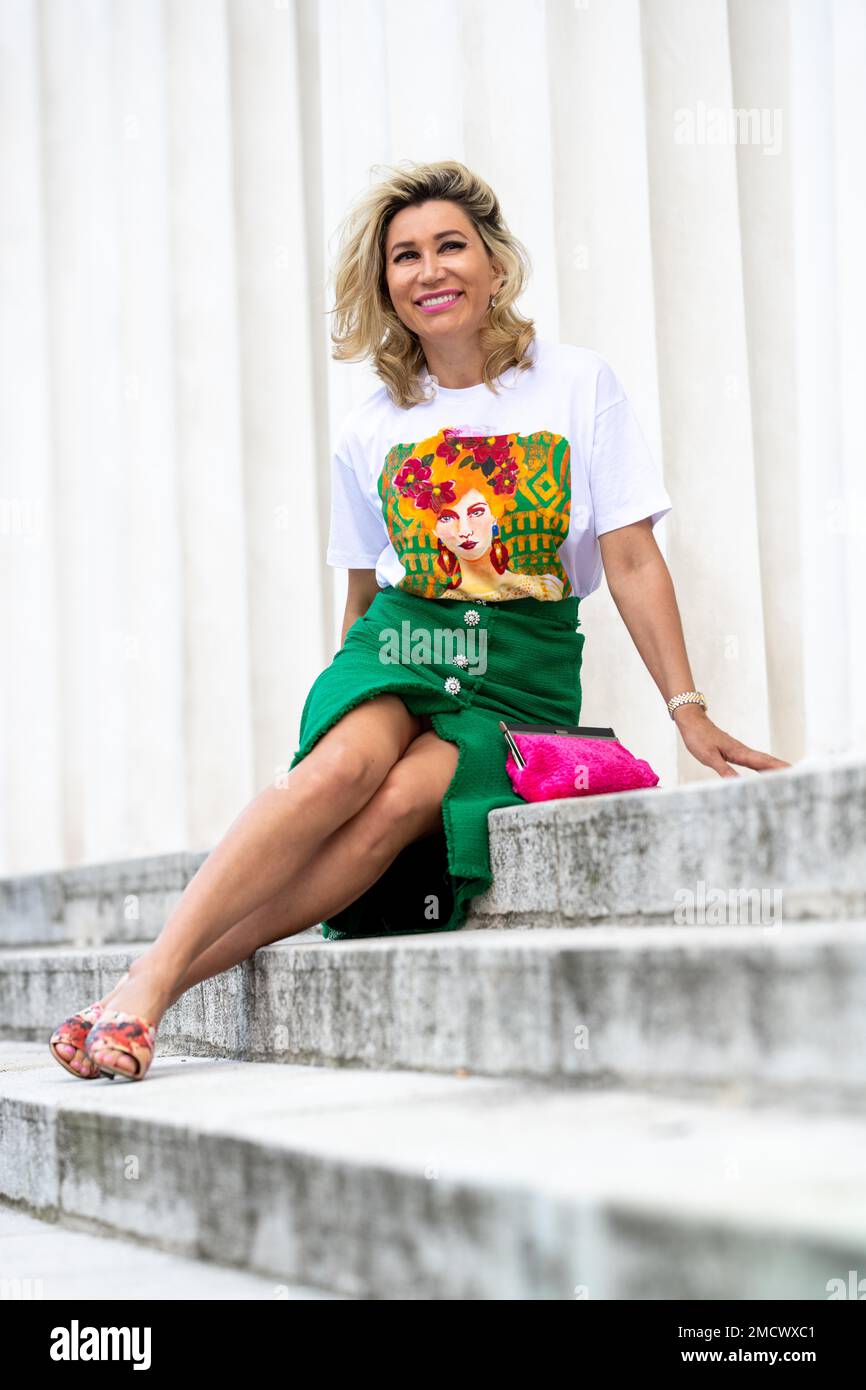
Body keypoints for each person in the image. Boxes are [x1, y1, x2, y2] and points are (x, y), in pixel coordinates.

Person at [48, 159, 791, 1083]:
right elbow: (362, 590)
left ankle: (139, 991)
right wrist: (342, 698)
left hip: (521, 664)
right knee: (346, 771)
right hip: (404, 639)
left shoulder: (575, 382)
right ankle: (149, 990)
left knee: (396, 810)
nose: (430, 269)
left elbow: (633, 556)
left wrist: (688, 708)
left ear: (493, 266)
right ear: (387, 285)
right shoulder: (370, 426)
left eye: (451, 246)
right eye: (406, 256)